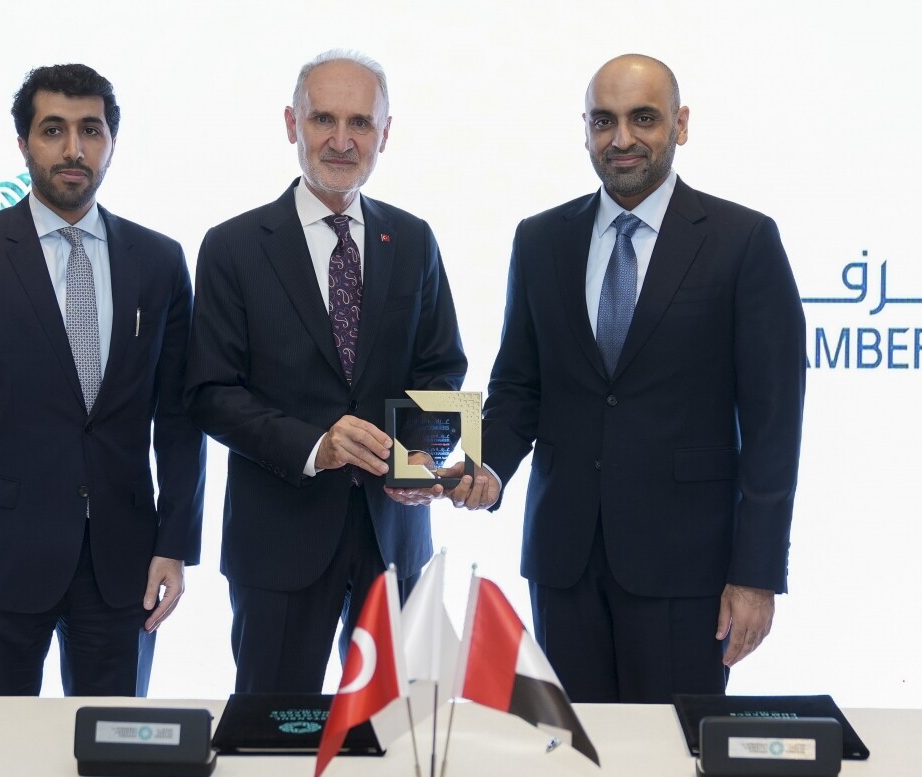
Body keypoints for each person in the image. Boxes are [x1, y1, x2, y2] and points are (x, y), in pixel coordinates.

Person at [449, 54, 805, 703]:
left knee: (672, 755)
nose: (621, 139)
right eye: (603, 121)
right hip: (563, 563)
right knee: (574, 753)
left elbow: (774, 425)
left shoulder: (743, 240)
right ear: (585, 128)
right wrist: (486, 465)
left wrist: (756, 573)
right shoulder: (540, 239)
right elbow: (518, 387)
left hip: (689, 570)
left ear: (680, 124)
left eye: (643, 118)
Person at [0, 64, 206, 696]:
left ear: (111, 143)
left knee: (113, 747)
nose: (74, 149)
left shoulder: (159, 260)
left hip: (124, 567)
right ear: (23, 144)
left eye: (91, 130)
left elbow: (179, 416)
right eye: (53, 130)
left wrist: (174, 544)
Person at [184, 49, 467, 693]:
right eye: (323, 120)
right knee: (270, 734)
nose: (342, 140)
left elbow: (441, 368)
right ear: (292, 123)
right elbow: (210, 393)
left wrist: (424, 454)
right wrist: (316, 446)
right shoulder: (232, 247)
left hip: (394, 540)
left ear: (384, 134)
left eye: (360, 123)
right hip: (278, 543)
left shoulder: (413, 239)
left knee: (397, 730)